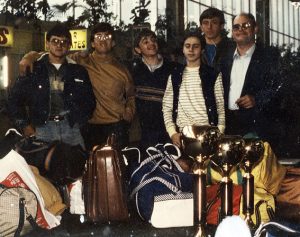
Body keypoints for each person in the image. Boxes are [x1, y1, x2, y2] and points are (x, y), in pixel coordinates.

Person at [18, 22, 135, 150]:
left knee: (116, 165)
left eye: (107, 37)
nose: (102, 40)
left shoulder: (123, 69)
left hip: (116, 125)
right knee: (86, 165)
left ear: (113, 43)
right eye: (98, 36)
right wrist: (29, 57)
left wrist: (129, 111)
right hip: (89, 126)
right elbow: (53, 54)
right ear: (92, 43)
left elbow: (131, 95)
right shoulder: (80, 61)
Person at [8, 23, 95, 149]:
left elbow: (90, 101)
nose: (59, 45)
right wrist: (25, 126)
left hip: (71, 129)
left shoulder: (78, 71)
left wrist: (78, 122)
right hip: (42, 129)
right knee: (41, 168)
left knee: (78, 164)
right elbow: (14, 100)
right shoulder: (33, 69)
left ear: (69, 46)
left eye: (64, 42)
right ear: (47, 43)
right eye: (55, 41)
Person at [221, 13, 281, 143]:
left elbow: (278, 88)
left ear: (255, 29)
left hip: (257, 127)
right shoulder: (224, 59)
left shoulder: (269, 57)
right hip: (229, 127)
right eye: (236, 27)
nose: (240, 29)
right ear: (232, 32)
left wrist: (257, 99)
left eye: (246, 25)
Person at [162, 32, 225, 148]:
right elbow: (167, 107)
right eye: (187, 46)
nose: (191, 49)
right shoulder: (174, 75)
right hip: (182, 135)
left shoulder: (213, 75)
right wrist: (172, 133)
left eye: (196, 46)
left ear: (202, 50)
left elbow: (221, 108)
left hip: (208, 134)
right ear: (183, 50)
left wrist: (219, 133)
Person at [132, 29, 178, 147]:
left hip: (168, 128)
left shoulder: (173, 68)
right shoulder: (133, 70)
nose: (151, 43)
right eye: (145, 42)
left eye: (153, 40)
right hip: (144, 131)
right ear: (138, 49)